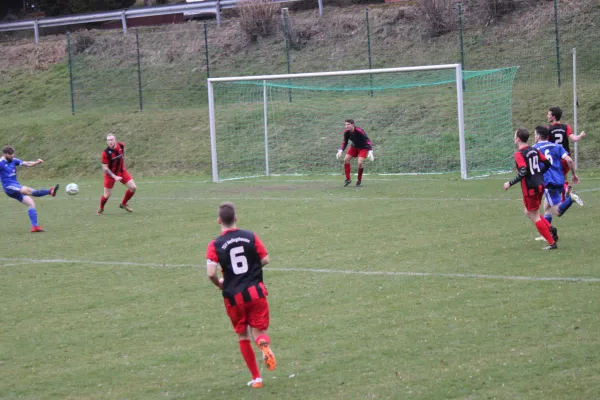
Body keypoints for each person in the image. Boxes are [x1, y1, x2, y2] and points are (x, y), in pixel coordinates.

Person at [205, 202, 276, 389]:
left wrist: (219, 283)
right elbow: (265, 259)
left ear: (219, 220)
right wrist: (251, 270)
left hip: (233, 297)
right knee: (259, 332)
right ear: (236, 218)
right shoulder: (250, 236)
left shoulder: (215, 244)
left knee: (243, 335)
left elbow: (211, 273)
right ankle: (264, 345)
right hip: (256, 292)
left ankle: (257, 379)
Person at [503, 128, 557, 250]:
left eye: (514, 135)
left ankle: (551, 242)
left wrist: (509, 183)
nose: (514, 137)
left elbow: (523, 171)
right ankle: (550, 228)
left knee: (534, 215)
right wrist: (539, 173)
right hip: (540, 185)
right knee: (528, 212)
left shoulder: (519, 154)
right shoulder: (534, 150)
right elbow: (547, 163)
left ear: (517, 139)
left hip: (530, 188)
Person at [533, 126, 580, 241]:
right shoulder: (557, 146)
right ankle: (547, 234)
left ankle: (571, 198)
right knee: (546, 205)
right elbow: (569, 160)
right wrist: (574, 174)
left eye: (535, 134)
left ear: (538, 136)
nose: (534, 136)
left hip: (548, 182)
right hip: (559, 180)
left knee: (557, 212)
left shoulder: (534, 149)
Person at [1, 145, 59, 232]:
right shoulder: (0, 163)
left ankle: (35, 227)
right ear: (5, 154)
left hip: (16, 186)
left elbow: (26, 163)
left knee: (31, 203)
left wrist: (36, 162)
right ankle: (50, 191)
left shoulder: (13, 160)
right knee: (29, 191)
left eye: (13, 154)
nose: (12, 156)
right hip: (9, 187)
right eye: (10, 154)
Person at [546, 106, 586, 204]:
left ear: (553, 116)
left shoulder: (548, 129)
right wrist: (580, 136)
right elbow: (574, 139)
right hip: (565, 158)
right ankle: (564, 199)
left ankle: (565, 192)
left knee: (556, 180)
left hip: (554, 159)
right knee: (563, 178)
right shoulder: (566, 127)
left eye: (549, 114)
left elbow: (545, 143)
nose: (547, 116)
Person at [98, 133, 137, 215]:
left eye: (112, 140)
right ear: (107, 142)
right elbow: (104, 168)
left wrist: (123, 158)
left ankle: (123, 204)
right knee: (107, 195)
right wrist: (114, 176)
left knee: (133, 187)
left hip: (122, 171)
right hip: (110, 175)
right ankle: (101, 208)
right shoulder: (105, 153)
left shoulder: (121, 145)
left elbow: (123, 152)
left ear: (115, 140)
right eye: (108, 140)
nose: (110, 142)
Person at [336, 119, 374, 187]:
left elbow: (367, 140)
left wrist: (370, 151)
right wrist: (341, 150)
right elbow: (345, 142)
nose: (346, 126)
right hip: (354, 147)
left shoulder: (359, 131)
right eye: (345, 124)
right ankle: (348, 179)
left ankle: (359, 181)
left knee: (360, 163)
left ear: (352, 124)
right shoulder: (346, 132)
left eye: (348, 124)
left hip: (363, 148)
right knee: (346, 160)